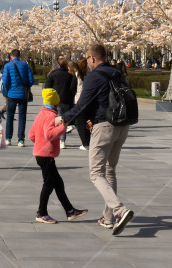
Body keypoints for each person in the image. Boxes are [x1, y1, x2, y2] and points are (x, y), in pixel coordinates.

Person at [57, 44, 134, 235]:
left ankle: (119, 210)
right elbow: (105, 100)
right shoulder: (117, 73)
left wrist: (64, 118)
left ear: (92, 58)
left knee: (96, 173)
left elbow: (82, 104)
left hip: (105, 126)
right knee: (110, 171)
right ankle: (108, 218)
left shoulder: (94, 76)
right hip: (122, 126)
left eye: (87, 58)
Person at [28, 88, 88, 224]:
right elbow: (49, 134)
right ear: (56, 102)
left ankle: (70, 210)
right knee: (48, 184)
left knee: (58, 183)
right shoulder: (50, 116)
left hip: (40, 154)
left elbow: (31, 135)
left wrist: (39, 143)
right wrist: (63, 127)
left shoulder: (40, 115)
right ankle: (41, 212)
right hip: (46, 155)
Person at [2, 49, 35, 148]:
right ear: (19, 56)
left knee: (10, 116)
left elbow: (5, 80)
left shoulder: (8, 66)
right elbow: (31, 80)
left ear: (11, 56)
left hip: (12, 94)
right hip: (23, 95)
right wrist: (26, 86)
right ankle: (21, 139)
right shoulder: (25, 65)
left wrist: (8, 91)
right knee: (22, 116)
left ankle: (8, 138)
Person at [45, 57, 77, 149]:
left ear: (58, 65)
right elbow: (72, 89)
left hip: (54, 100)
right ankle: (62, 141)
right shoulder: (70, 76)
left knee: (52, 120)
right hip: (66, 100)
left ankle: (53, 139)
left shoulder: (52, 74)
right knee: (63, 121)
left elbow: (47, 88)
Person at [68, 59, 90, 150]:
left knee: (81, 122)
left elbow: (73, 88)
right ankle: (89, 141)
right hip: (89, 100)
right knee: (87, 121)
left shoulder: (77, 75)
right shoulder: (90, 74)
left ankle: (85, 143)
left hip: (78, 100)